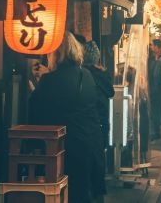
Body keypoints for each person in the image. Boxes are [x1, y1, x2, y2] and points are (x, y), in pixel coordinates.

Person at [29, 31, 106, 203]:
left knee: (72, 195)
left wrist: (40, 84)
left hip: (69, 147)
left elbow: (38, 113)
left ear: (56, 52)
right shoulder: (85, 74)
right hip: (91, 143)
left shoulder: (49, 81)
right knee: (87, 194)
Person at [83, 40, 115, 148]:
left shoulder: (83, 76)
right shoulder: (104, 75)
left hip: (89, 126)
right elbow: (110, 93)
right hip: (103, 123)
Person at [148, 39, 161, 140]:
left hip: (159, 89)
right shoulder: (152, 59)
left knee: (157, 110)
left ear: (158, 47)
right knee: (155, 111)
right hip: (154, 89)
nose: (151, 47)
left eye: (152, 45)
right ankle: (156, 131)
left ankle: (157, 131)